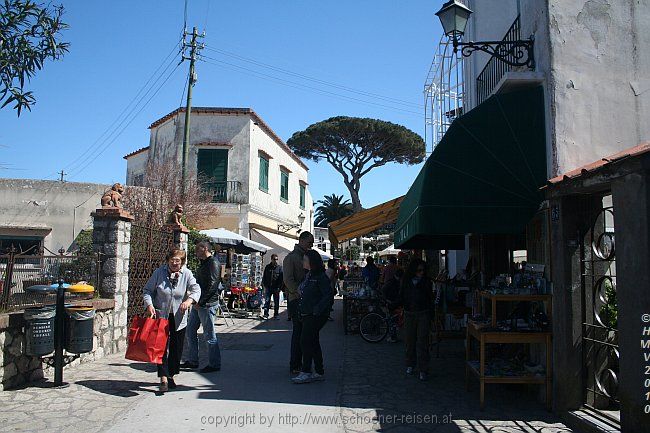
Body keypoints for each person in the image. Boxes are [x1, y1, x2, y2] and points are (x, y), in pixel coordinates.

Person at [143, 248, 201, 392]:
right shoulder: (159, 273)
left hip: (178, 317)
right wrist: (149, 304)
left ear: (182, 262)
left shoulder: (186, 274)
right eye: (172, 260)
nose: (175, 263)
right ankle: (163, 377)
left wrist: (189, 301)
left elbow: (196, 289)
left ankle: (171, 375)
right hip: (160, 315)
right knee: (159, 347)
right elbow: (148, 291)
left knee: (176, 349)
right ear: (168, 261)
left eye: (178, 260)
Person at [292, 250, 332, 384]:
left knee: (305, 341)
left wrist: (317, 310)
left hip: (315, 315)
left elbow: (328, 295)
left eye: (305, 260)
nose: (302, 262)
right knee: (313, 341)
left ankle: (306, 371)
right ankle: (319, 371)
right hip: (307, 313)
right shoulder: (308, 275)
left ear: (312, 262)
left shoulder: (320, 276)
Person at [182, 241, 222, 374]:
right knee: (190, 331)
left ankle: (214, 364)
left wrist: (201, 301)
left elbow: (212, 285)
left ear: (205, 249)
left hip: (207, 304)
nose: (196, 252)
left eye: (198, 249)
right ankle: (193, 360)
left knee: (209, 335)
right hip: (198, 303)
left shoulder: (213, 263)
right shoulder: (204, 263)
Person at [283, 231, 314, 375]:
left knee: (304, 333)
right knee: (298, 333)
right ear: (301, 241)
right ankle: (295, 364)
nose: (311, 245)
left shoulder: (305, 256)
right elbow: (288, 279)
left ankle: (301, 363)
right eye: (309, 242)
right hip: (296, 300)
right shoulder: (291, 258)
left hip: (306, 299)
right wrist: (297, 292)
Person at [399, 258, 433, 381]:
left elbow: (430, 298)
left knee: (422, 342)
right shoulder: (406, 281)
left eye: (423, 270)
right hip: (409, 313)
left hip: (423, 312)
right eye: (419, 270)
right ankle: (410, 364)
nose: (421, 273)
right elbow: (402, 295)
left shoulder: (426, 281)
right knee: (409, 341)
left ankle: (423, 369)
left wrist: (431, 314)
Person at [381, 268, 404, 343]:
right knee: (393, 320)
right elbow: (384, 290)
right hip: (391, 302)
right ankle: (393, 337)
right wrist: (387, 300)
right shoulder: (393, 282)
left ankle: (393, 336)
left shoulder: (394, 281)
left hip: (393, 302)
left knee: (393, 319)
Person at [262, 254, 283, 319]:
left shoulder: (279, 268)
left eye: (276, 259)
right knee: (267, 301)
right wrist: (264, 286)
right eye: (274, 259)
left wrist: (280, 288)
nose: (275, 261)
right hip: (268, 287)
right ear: (271, 259)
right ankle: (266, 314)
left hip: (276, 288)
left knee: (276, 302)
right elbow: (264, 277)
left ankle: (276, 315)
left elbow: (281, 278)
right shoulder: (267, 267)